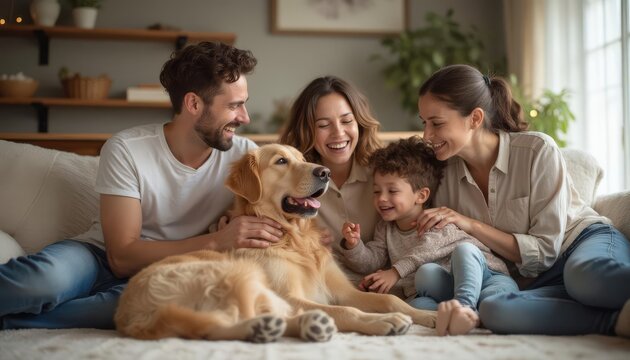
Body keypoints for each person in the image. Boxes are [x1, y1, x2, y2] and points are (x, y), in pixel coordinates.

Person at [0, 41, 283, 330]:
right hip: (96, 256)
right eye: (235, 105)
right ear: (194, 104)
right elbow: (120, 257)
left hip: (169, 273)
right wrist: (216, 241)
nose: (245, 117)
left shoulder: (246, 158)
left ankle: (10, 321)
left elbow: (281, 205)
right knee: (42, 282)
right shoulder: (127, 148)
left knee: (139, 309)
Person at [416, 64, 630, 337]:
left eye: (437, 123)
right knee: (495, 310)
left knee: (585, 280)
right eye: (424, 123)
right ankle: (616, 321)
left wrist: (469, 224)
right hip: (528, 280)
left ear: (475, 118)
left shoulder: (536, 150)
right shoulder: (444, 177)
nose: (427, 135)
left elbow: (544, 251)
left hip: (580, 244)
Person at [339, 136, 517, 335]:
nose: (382, 198)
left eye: (392, 191)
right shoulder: (385, 228)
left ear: (421, 195)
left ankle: (466, 308)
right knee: (417, 305)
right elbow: (373, 261)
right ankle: (466, 317)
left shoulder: (435, 219)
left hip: (488, 279)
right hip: (444, 292)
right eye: (376, 191)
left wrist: (395, 273)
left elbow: (425, 252)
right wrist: (354, 246)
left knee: (465, 254)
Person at [279, 76, 382, 283]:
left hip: (382, 287)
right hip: (321, 291)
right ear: (306, 130)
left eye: (346, 121)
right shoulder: (287, 180)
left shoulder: (385, 173)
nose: (338, 133)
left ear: (359, 123)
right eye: (324, 125)